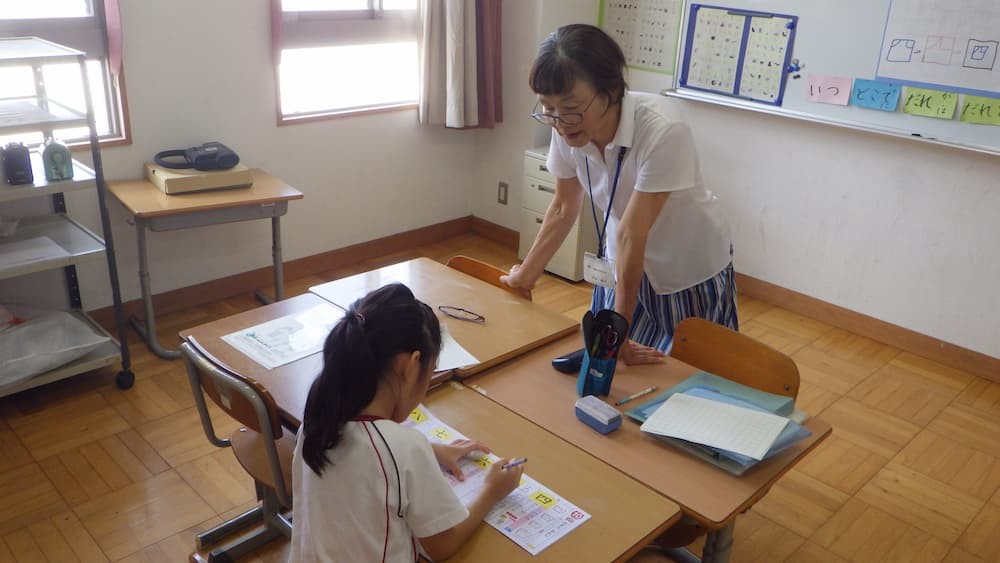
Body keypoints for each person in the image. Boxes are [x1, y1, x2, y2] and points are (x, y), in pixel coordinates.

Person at [502, 24, 738, 365]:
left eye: (570, 105)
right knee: (608, 360)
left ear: (611, 90)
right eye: (547, 106)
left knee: (689, 374)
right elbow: (563, 207)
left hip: (685, 268)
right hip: (621, 261)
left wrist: (619, 327)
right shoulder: (565, 124)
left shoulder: (663, 129)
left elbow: (633, 232)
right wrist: (525, 276)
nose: (559, 120)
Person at [289, 283, 524, 562]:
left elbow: (363, 460)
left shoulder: (317, 422)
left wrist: (431, 450)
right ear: (410, 365)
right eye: (431, 371)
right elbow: (442, 546)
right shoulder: (404, 449)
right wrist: (491, 491)